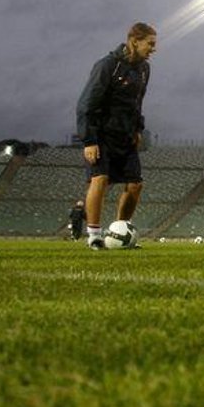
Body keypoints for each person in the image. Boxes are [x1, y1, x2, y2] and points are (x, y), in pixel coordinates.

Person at [76, 22, 157, 250]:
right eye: (150, 44)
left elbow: (138, 103)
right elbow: (85, 104)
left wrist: (138, 129)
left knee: (135, 185)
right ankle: (94, 235)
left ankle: (121, 232)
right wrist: (89, 140)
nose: (153, 49)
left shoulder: (144, 69)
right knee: (99, 180)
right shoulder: (107, 65)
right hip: (102, 135)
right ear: (135, 41)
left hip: (126, 136)